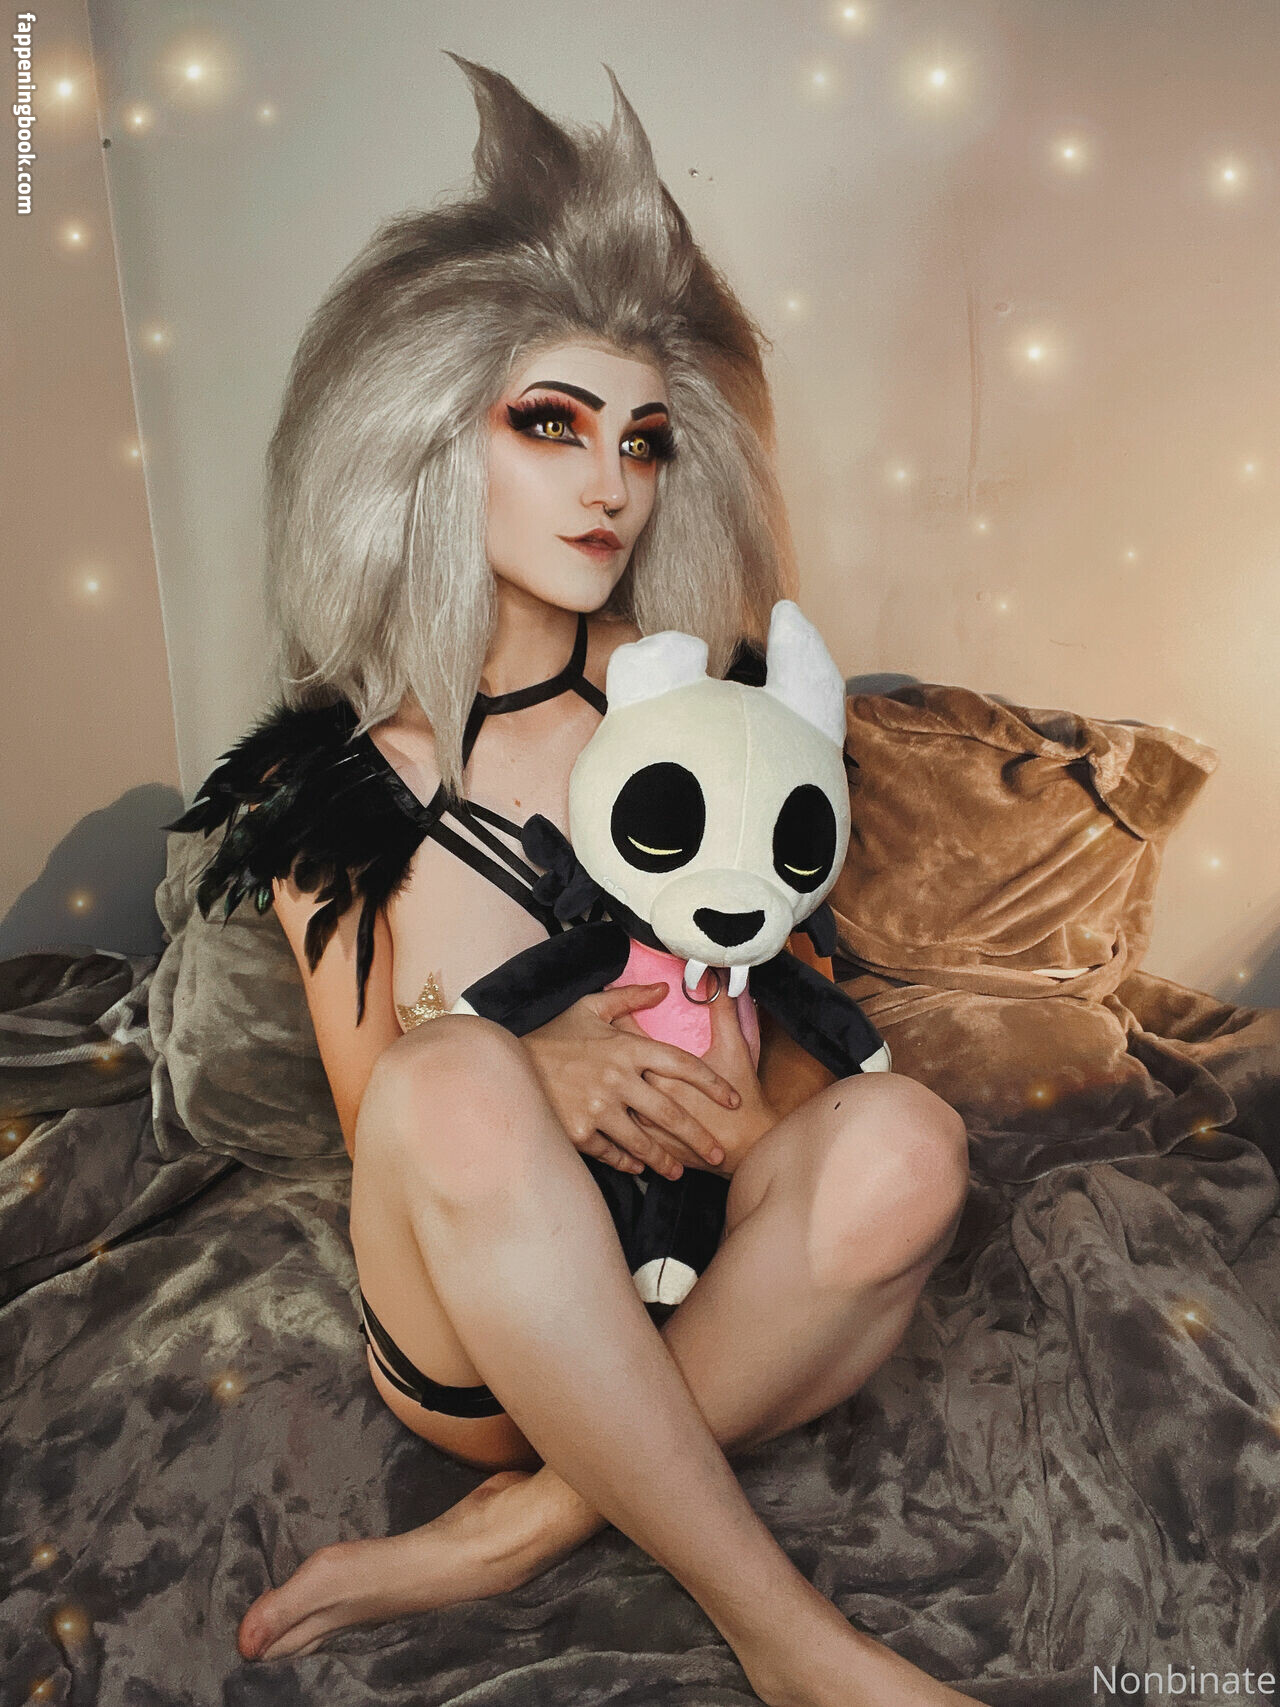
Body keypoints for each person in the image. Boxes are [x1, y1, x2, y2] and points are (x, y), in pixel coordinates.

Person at [200, 55, 971, 1705]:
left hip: (705, 1277)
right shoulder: (324, 780)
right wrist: (527, 1067)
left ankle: (527, 1527)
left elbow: (787, 1007)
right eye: (549, 424)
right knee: (454, 1086)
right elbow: (381, 1116)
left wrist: (752, 1122)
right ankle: (792, 1640)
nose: (609, 483)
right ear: (424, 433)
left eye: (643, 439)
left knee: (910, 1140)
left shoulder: (700, 703)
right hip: (482, 1329)